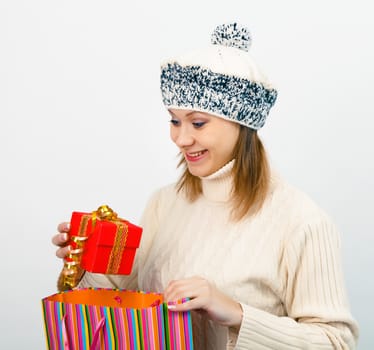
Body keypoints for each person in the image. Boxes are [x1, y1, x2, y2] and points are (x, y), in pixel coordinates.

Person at [52, 23, 359, 349]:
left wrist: (238, 313)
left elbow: (335, 342)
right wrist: (85, 263)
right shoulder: (164, 203)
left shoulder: (302, 221)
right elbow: (123, 306)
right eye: (174, 120)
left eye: (198, 122)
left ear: (242, 124)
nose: (181, 139)